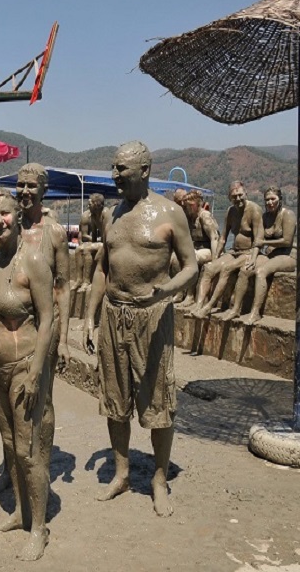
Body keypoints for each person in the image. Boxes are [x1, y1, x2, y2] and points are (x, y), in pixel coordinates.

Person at [82, 141, 197, 517]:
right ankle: (122, 472)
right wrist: (88, 316)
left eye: (121, 169)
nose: (114, 175)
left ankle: (159, 479)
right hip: (114, 315)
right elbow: (104, 269)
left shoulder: (171, 213)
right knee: (115, 400)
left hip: (153, 316)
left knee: (158, 399)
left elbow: (191, 265)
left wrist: (171, 288)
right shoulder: (112, 215)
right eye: (114, 168)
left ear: (144, 170)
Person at [0, 187, 55, 561]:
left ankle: (38, 528)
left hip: (23, 366)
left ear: (17, 215)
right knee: (9, 446)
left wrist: (37, 370)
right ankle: (21, 511)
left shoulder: (34, 261)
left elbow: (48, 320)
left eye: (4, 214)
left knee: (27, 450)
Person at [0, 163, 71, 496]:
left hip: (42, 331)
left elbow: (63, 287)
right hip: (13, 332)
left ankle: (41, 474)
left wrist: (63, 340)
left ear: (43, 190)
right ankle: (13, 470)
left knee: (42, 405)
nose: (24, 191)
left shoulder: (54, 234)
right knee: (10, 412)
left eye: (30, 186)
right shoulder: (7, 227)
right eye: (19, 185)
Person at [218, 186, 296, 324]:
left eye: (273, 199)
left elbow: (287, 241)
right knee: (246, 270)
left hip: (288, 254)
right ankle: (235, 309)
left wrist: (263, 241)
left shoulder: (288, 214)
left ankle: (256, 313)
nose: (270, 203)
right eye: (267, 200)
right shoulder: (265, 217)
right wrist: (252, 257)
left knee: (261, 272)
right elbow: (257, 239)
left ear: (280, 199)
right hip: (269, 254)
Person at [190, 181, 262, 319]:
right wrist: (215, 258)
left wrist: (253, 259)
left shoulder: (254, 210)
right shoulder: (230, 211)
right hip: (234, 251)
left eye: (240, 195)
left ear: (246, 193)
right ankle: (198, 305)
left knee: (227, 269)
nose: (238, 199)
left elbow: (259, 239)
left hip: (248, 252)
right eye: (234, 196)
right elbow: (223, 238)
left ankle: (209, 306)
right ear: (230, 198)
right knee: (209, 268)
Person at [175, 190, 219, 307]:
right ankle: (179, 293)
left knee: (192, 258)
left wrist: (215, 261)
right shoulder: (189, 217)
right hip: (195, 247)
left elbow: (214, 238)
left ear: (195, 204)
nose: (186, 208)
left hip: (208, 249)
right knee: (177, 257)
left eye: (188, 205)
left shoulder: (204, 216)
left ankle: (189, 296)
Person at [74, 193, 106, 292]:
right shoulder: (93, 216)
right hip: (102, 242)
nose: (88, 206)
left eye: (90, 204)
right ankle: (79, 279)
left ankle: (87, 281)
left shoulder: (105, 213)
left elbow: (108, 233)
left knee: (88, 249)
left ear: (96, 204)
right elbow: (95, 237)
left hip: (108, 242)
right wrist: (91, 244)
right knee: (79, 249)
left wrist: (96, 245)